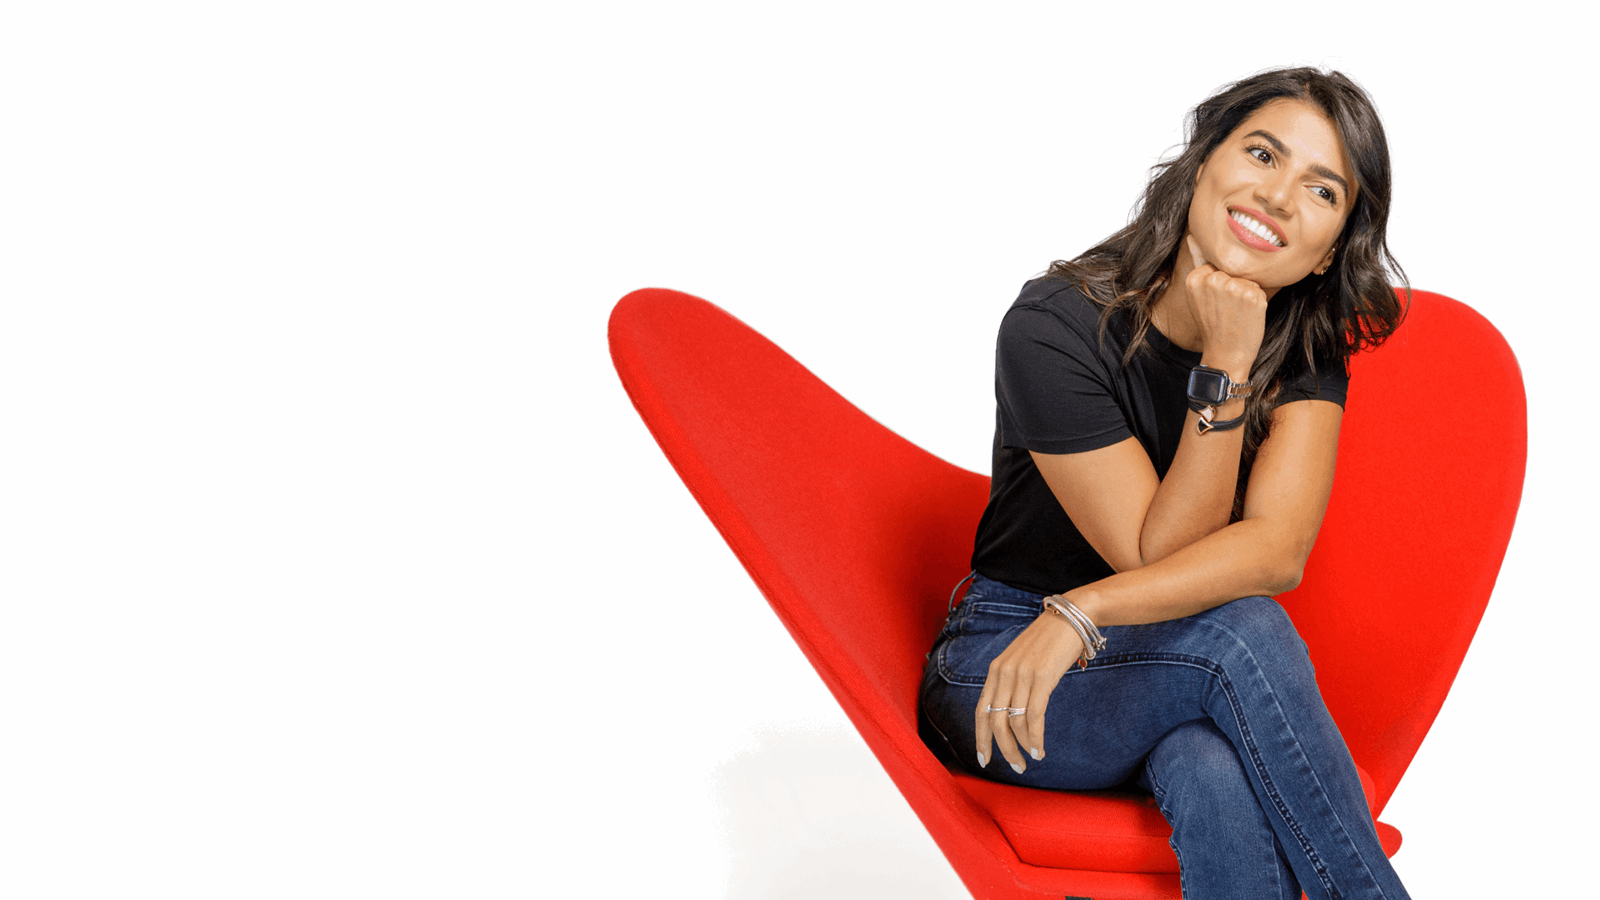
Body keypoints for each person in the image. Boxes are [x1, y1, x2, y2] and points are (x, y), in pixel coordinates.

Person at [918, 67, 1412, 900]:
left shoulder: (1304, 344)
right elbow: (1156, 553)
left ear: (1332, 246)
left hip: (1120, 647)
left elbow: (1277, 550)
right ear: (1202, 160)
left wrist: (1088, 611)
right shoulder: (1054, 327)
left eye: (1321, 190)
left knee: (1209, 760)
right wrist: (1224, 363)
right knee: (1241, 633)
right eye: (1261, 153)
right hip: (1008, 668)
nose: (1280, 196)